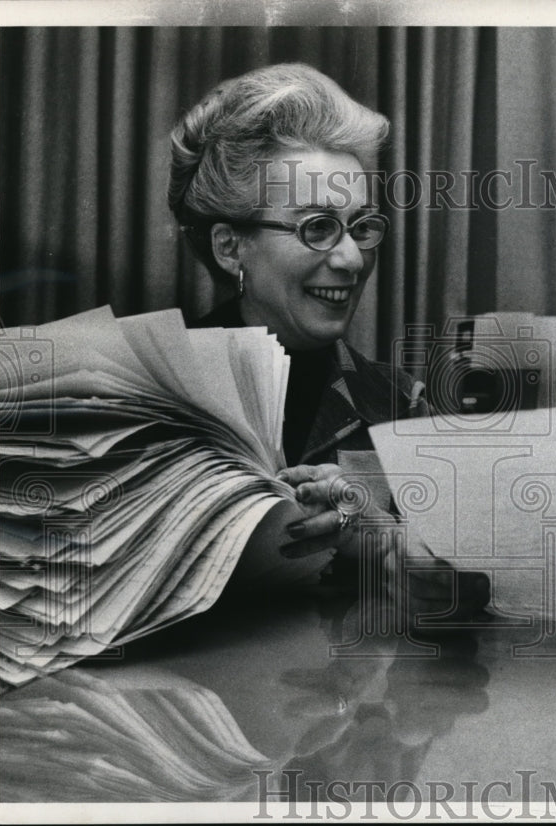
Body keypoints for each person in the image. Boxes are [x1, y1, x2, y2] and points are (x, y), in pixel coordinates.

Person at [167, 63, 481, 616]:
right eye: (317, 226)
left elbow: (470, 593)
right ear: (229, 247)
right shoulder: (152, 391)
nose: (352, 258)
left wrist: (406, 562)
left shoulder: (399, 405)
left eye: (361, 226)